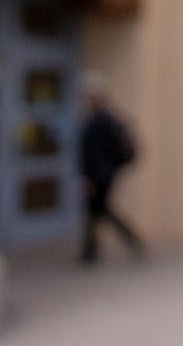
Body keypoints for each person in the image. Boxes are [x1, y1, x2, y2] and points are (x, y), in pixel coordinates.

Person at [78, 71, 145, 265]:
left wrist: (89, 176)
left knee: (97, 211)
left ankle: (92, 253)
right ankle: (92, 251)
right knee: (98, 211)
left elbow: (94, 153)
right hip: (104, 174)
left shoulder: (99, 121)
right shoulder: (103, 119)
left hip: (99, 176)